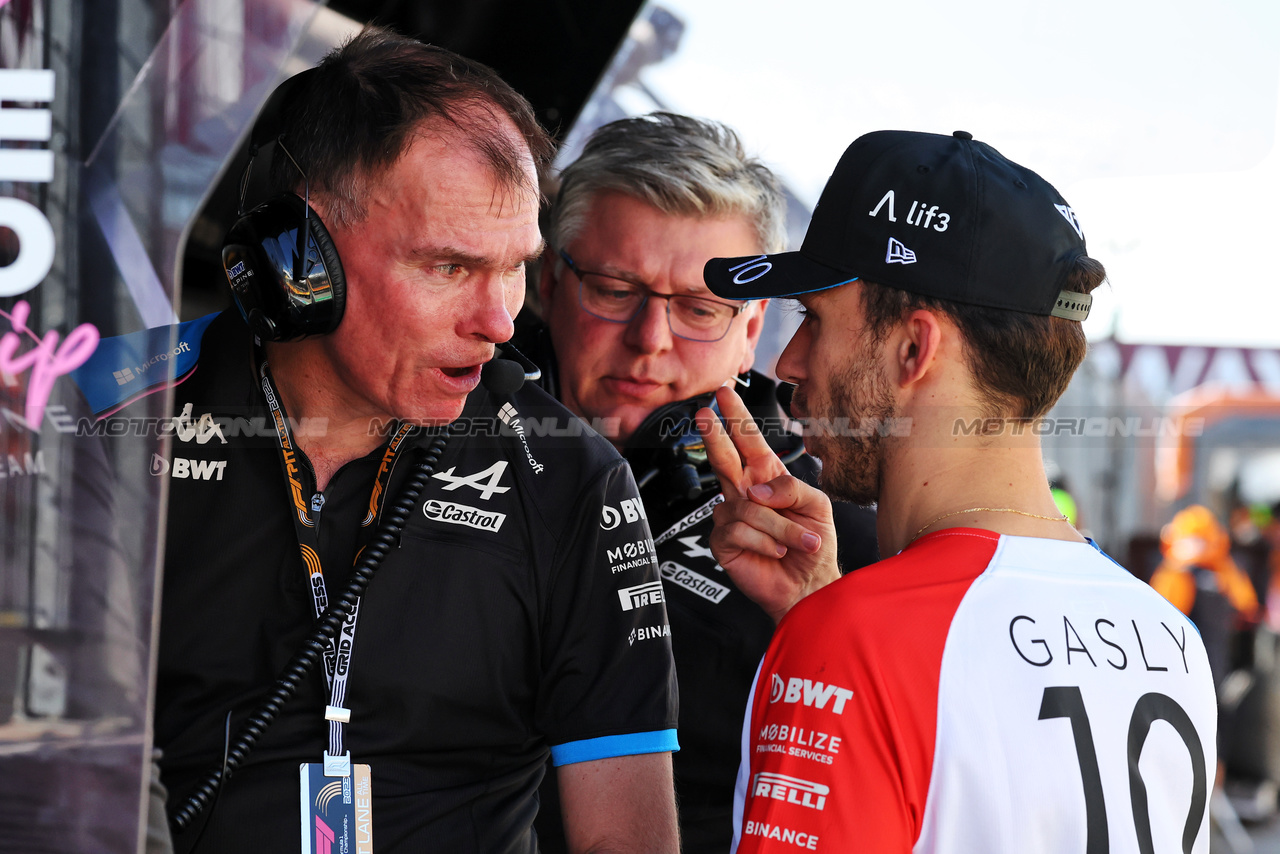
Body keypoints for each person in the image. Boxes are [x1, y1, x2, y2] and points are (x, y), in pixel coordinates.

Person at [151, 29, 678, 854]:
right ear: (301, 256)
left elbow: (628, 840)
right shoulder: (108, 420)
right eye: (448, 267)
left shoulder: (570, 477)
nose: (500, 321)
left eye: (516, 267)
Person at [695, 130, 1218, 852]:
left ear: (914, 349)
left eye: (813, 319)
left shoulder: (860, 642)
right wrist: (830, 618)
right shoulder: (1172, 638)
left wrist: (837, 639)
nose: (787, 362)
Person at [515, 113, 877, 853]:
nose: (650, 341)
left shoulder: (844, 548)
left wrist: (822, 624)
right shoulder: (426, 460)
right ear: (548, 282)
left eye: (701, 310)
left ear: (752, 331)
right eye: (615, 290)